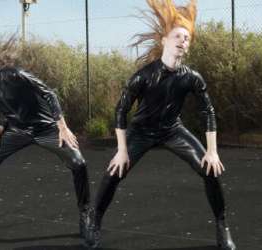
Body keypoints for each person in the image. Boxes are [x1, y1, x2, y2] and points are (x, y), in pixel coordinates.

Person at [85, 1, 236, 249]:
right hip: (141, 131)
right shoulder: (144, 76)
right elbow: (121, 111)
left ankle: (223, 227)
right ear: (164, 40)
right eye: (177, 35)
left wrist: (212, 151)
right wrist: (122, 150)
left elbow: (207, 110)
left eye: (186, 38)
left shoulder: (191, 77)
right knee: (114, 171)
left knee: (210, 170)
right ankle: (94, 222)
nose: (182, 40)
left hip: (172, 130)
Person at [0, 40, 92, 240]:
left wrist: (62, 127)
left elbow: (48, 93)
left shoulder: (14, 74)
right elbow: (7, 112)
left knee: (79, 163)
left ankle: (86, 217)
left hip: (47, 129)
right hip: (18, 132)